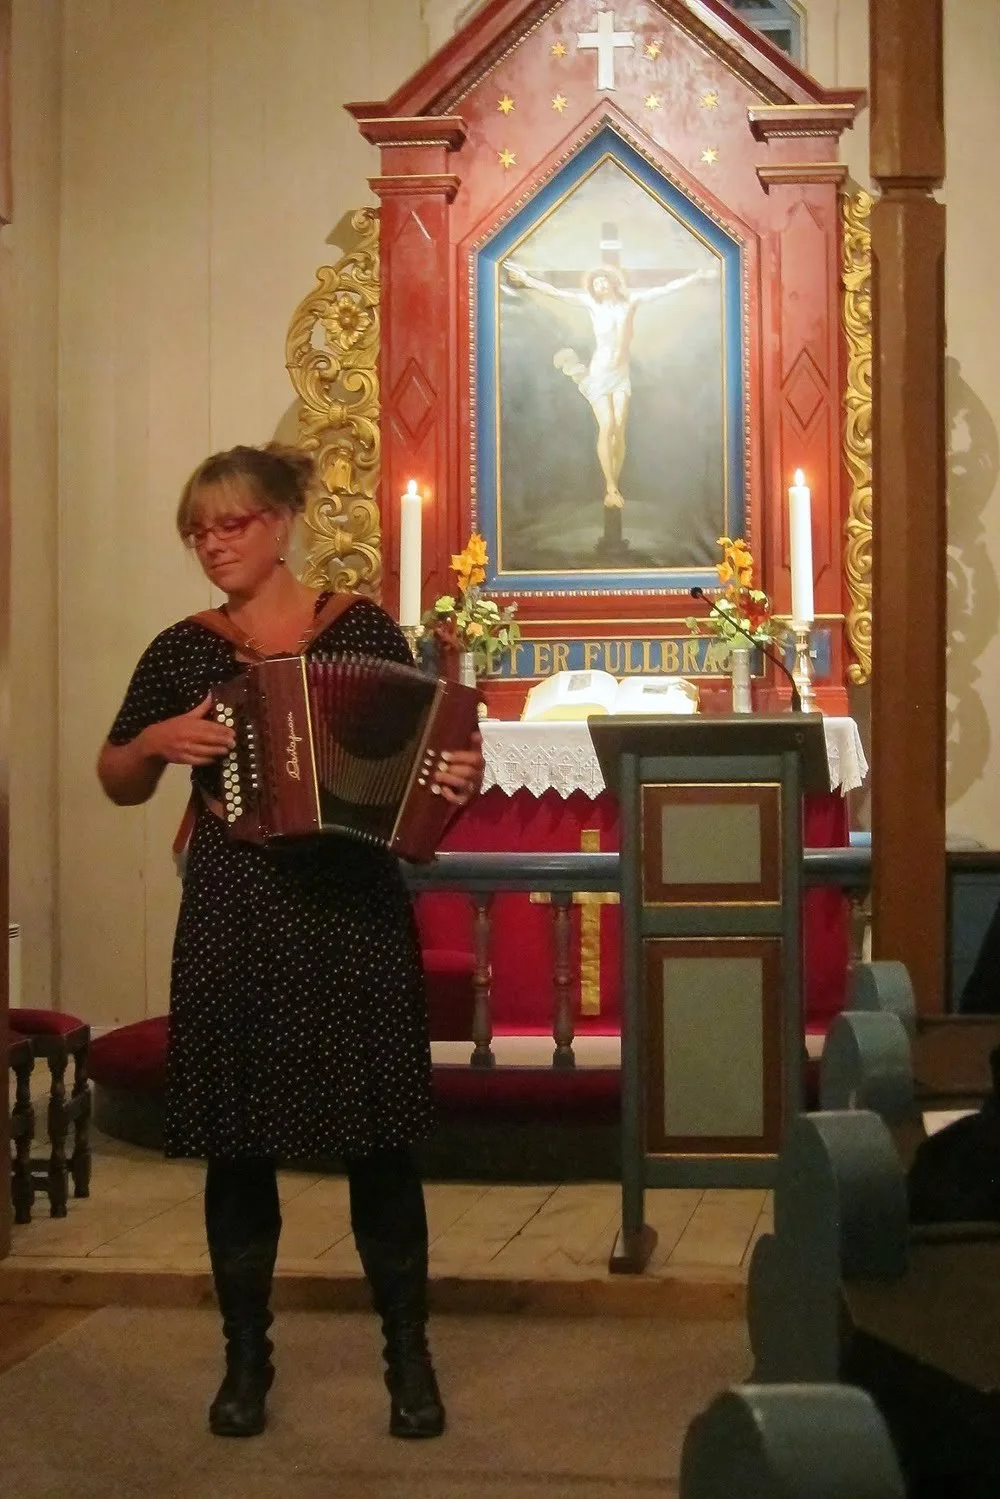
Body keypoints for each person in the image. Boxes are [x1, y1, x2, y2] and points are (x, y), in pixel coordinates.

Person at [96, 442, 484, 1442]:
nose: (211, 544)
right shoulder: (183, 649)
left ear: (280, 524)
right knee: (238, 1141)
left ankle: (409, 1353)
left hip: (351, 902)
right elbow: (116, 771)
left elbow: (428, 755)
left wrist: (453, 780)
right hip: (234, 903)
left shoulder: (357, 629)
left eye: (231, 524)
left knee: (380, 1140)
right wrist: (151, 743)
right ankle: (244, 1359)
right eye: (197, 530)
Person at [505, 259, 717, 509]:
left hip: (621, 373)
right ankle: (611, 487)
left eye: (603, 280)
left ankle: (616, 483)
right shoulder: (592, 304)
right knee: (606, 426)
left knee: (619, 427)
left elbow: (666, 289)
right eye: (596, 283)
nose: (600, 285)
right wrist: (527, 280)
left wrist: (696, 277)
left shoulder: (631, 301)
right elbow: (557, 293)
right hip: (600, 371)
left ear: (613, 282)